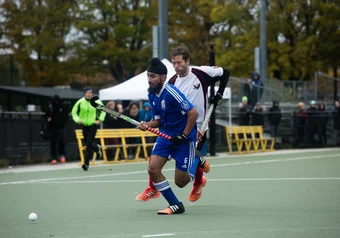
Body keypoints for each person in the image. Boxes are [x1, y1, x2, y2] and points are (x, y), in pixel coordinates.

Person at [136, 46, 229, 203]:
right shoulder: (172, 82)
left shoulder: (202, 72)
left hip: (199, 125)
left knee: (187, 169)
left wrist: (219, 94)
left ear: (188, 61)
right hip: (178, 127)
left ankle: (198, 182)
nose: (176, 67)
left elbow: (224, 72)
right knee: (154, 158)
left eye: (179, 63)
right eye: (174, 63)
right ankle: (153, 188)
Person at [137, 57, 200, 214]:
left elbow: (193, 113)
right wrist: (147, 125)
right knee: (153, 169)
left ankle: (197, 158)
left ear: (163, 77)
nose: (149, 80)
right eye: (148, 76)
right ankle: (176, 205)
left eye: (153, 76)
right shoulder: (151, 95)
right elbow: (156, 121)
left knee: (181, 182)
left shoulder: (172, 93)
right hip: (165, 136)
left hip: (182, 139)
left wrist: (184, 136)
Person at [71, 87, 106, 171]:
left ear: (92, 93)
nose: (89, 94)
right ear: (84, 93)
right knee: (88, 143)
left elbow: (103, 111)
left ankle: (86, 163)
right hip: (84, 125)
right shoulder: (80, 102)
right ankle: (97, 148)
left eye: (90, 92)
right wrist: (77, 120)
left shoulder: (96, 102)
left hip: (93, 125)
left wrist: (100, 120)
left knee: (88, 144)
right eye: (87, 92)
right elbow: (74, 112)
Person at [45, 94, 68, 164]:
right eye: (55, 101)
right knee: (53, 142)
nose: (56, 102)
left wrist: (63, 124)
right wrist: (47, 119)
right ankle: (54, 157)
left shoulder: (63, 107)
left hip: (60, 127)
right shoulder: (50, 107)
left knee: (61, 141)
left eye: (57, 101)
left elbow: (66, 116)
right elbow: (45, 116)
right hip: (52, 128)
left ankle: (62, 155)